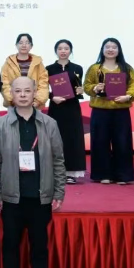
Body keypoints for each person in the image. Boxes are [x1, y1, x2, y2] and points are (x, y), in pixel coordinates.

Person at [0, 76, 66, 268]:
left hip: (40, 196)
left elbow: (58, 160)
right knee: (11, 246)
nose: (22, 95)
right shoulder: (0, 125)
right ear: (11, 94)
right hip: (12, 197)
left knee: (39, 247)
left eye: (27, 91)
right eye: (18, 91)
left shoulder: (49, 123)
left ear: (35, 93)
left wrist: (59, 191)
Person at [83, 38, 134, 184]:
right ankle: (102, 175)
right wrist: (95, 88)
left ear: (118, 50)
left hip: (121, 111)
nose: (110, 49)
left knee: (122, 142)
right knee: (100, 142)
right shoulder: (95, 68)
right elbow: (86, 86)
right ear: (102, 50)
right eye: (107, 47)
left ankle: (123, 176)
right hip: (100, 111)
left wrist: (128, 96)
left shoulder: (126, 68)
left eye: (114, 47)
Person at [46, 39, 87, 184]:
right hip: (56, 107)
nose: (63, 51)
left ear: (70, 51)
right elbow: (42, 90)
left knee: (72, 139)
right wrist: (52, 97)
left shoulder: (77, 68)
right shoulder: (48, 69)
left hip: (72, 108)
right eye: (60, 48)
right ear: (56, 51)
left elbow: (78, 88)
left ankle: (71, 172)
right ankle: (54, 172)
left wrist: (80, 91)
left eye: (66, 48)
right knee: (55, 138)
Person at [1, 33, 49, 109]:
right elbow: (4, 83)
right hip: (14, 105)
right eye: (21, 43)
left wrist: (38, 101)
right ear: (16, 45)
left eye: (27, 43)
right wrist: (12, 99)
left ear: (31, 46)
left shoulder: (38, 63)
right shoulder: (8, 63)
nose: (24, 45)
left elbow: (43, 83)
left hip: (34, 105)